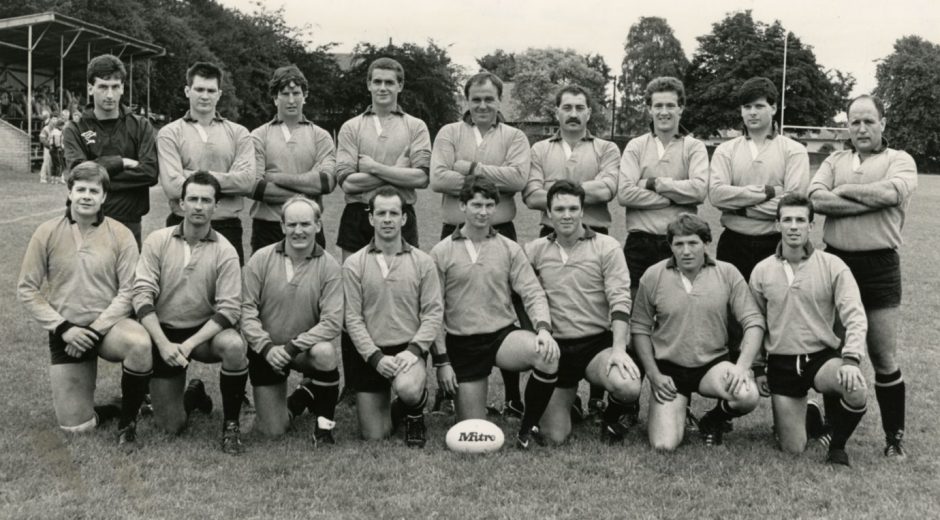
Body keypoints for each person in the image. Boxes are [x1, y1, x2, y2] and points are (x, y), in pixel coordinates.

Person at [808, 94, 917, 459]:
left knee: (882, 355)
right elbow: (816, 199)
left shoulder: (899, 160)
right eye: (855, 121)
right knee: (835, 350)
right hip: (835, 265)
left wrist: (844, 192)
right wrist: (861, 200)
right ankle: (832, 429)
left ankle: (894, 437)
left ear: (883, 123)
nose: (861, 128)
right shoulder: (835, 159)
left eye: (869, 121)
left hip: (880, 267)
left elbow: (891, 193)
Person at [17, 162, 152, 449]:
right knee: (76, 427)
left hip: (108, 326)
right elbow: (27, 289)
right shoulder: (46, 232)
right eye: (81, 189)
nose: (87, 196)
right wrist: (64, 328)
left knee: (139, 343)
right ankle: (117, 406)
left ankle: (128, 425)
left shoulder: (121, 234)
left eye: (94, 190)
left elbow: (129, 290)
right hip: (67, 333)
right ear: (70, 192)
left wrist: (94, 329)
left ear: (104, 196)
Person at [431, 176, 560, 449]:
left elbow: (532, 293)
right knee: (470, 431)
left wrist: (544, 329)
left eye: (489, 205)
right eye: (476, 204)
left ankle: (527, 429)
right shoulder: (441, 252)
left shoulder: (509, 248)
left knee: (546, 355)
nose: (483, 211)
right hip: (462, 343)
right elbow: (433, 311)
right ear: (463, 206)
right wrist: (442, 361)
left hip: (501, 337)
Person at [430, 71, 531, 418]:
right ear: (466, 101)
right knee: (445, 305)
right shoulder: (449, 132)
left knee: (506, 307)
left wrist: (469, 167)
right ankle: (446, 388)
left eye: (490, 99)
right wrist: (494, 176)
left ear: (500, 100)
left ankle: (514, 396)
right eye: (476, 99)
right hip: (455, 230)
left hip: (501, 231)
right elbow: (437, 177)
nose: (483, 105)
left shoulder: (515, 136)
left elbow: (519, 178)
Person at [334, 58, 432, 406]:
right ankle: (354, 382)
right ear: (369, 85)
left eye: (390, 82)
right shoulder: (350, 127)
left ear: (400, 86)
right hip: (357, 216)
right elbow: (346, 179)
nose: (383, 88)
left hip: (400, 214)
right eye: (377, 82)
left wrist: (372, 166)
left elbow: (421, 177)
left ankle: (414, 373)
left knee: (410, 294)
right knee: (353, 298)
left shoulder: (416, 126)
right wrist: (397, 170)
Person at [524, 84, 621, 421]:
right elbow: (530, 196)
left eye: (581, 107)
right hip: (550, 237)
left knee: (599, 307)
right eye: (567, 107)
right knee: (554, 305)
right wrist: (581, 191)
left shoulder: (606, 147)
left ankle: (598, 395)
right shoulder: (538, 148)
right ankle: (566, 390)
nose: (574, 113)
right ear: (557, 112)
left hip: (596, 235)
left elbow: (609, 188)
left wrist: (558, 191)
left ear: (590, 113)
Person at [749, 194, 868, 466]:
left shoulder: (832, 265)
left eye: (800, 220)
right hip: (782, 362)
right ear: (777, 224)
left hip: (820, 358)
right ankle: (810, 415)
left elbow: (855, 315)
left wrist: (850, 360)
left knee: (856, 388)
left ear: (810, 226)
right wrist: (757, 368)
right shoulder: (762, 270)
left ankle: (837, 446)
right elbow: (755, 323)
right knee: (793, 448)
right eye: (787, 220)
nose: (793, 226)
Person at [133, 172, 248, 454]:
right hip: (166, 334)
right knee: (171, 426)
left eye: (206, 200)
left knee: (234, 345)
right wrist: (162, 343)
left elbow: (230, 308)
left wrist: (189, 344)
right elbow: (141, 294)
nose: (198, 206)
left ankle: (230, 426)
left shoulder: (226, 250)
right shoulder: (156, 241)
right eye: (193, 199)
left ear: (215, 206)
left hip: (205, 334)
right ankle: (194, 394)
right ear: (181, 203)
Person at [632, 214, 764, 450]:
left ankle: (714, 420)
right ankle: (679, 410)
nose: (686, 251)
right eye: (678, 244)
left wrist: (743, 366)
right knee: (664, 445)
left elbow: (753, 321)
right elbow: (640, 327)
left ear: (706, 243)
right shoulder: (653, 275)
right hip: (669, 371)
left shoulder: (727, 272)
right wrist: (653, 374)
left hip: (712, 365)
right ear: (670, 245)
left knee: (747, 394)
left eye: (693, 243)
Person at [525, 181, 642, 444]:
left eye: (573, 208)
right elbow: (524, 295)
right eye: (559, 209)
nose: (566, 215)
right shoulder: (534, 250)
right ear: (548, 212)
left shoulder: (607, 246)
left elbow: (620, 299)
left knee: (628, 385)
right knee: (553, 437)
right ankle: (569, 405)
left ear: (582, 211)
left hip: (595, 344)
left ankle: (613, 413)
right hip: (556, 348)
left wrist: (619, 349)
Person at [343, 187, 442, 447]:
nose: (387, 219)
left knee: (408, 388)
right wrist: (375, 358)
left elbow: (433, 313)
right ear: (371, 218)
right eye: (381, 213)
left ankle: (415, 409)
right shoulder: (354, 264)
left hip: (407, 351)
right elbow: (352, 319)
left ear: (404, 219)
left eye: (394, 213)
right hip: (371, 355)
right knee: (375, 435)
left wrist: (414, 350)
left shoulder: (423, 261)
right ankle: (400, 405)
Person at [241, 196, 343, 443]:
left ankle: (324, 428)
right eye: (292, 224)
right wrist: (266, 348)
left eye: (306, 224)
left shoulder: (329, 266)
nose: (299, 231)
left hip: (303, 351)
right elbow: (246, 311)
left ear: (318, 226)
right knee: (273, 430)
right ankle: (304, 396)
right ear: (283, 226)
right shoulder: (260, 259)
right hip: (267, 351)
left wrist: (292, 347)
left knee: (326, 352)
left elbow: (331, 322)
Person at [708, 77, 810, 282]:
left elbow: (792, 204)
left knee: (774, 309)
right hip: (733, 244)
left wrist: (738, 207)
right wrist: (772, 192)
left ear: (773, 108)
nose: (752, 112)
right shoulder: (725, 150)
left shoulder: (794, 150)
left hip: (776, 243)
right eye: (747, 106)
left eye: (759, 106)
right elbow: (717, 195)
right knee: (733, 310)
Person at [157, 62, 255, 265]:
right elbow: (173, 187)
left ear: (219, 94)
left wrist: (190, 175)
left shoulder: (239, 133)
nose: (205, 96)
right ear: (187, 91)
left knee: (226, 292)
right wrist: (226, 180)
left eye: (211, 90)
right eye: (199, 89)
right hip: (183, 224)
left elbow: (246, 182)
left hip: (227, 227)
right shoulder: (169, 133)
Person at [618, 77, 709, 291]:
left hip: (681, 242)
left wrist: (652, 183)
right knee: (635, 310)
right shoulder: (635, 146)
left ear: (681, 108)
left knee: (679, 311)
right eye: (658, 106)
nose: (664, 112)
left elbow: (698, 191)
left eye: (670, 105)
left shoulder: (694, 147)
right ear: (649, 109)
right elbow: (624, 194)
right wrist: (676, 196)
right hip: (639, 244)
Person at [63, 54, 158, 248]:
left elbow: (149, 173)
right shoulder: (75, 128)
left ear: (122, 87)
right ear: (90, 88)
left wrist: (96, 172)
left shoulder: (141, 126)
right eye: (103, 87)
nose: (109, 94)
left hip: (129, 224)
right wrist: (121, 162)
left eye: (115, 87)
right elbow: (77, 174)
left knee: (128, 279)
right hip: (86, 223)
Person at [250, 65, 336, 253]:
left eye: (296, 93)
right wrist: (308, 191)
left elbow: (325, 183)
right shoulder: (258, 136)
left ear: (304, 96)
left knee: (312, 282)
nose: (291, 100)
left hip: (309, 225)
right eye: (285, 94)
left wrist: (273, 177)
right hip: (268, 228)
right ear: (274, 98)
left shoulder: (320, 136)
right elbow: (256, 187)